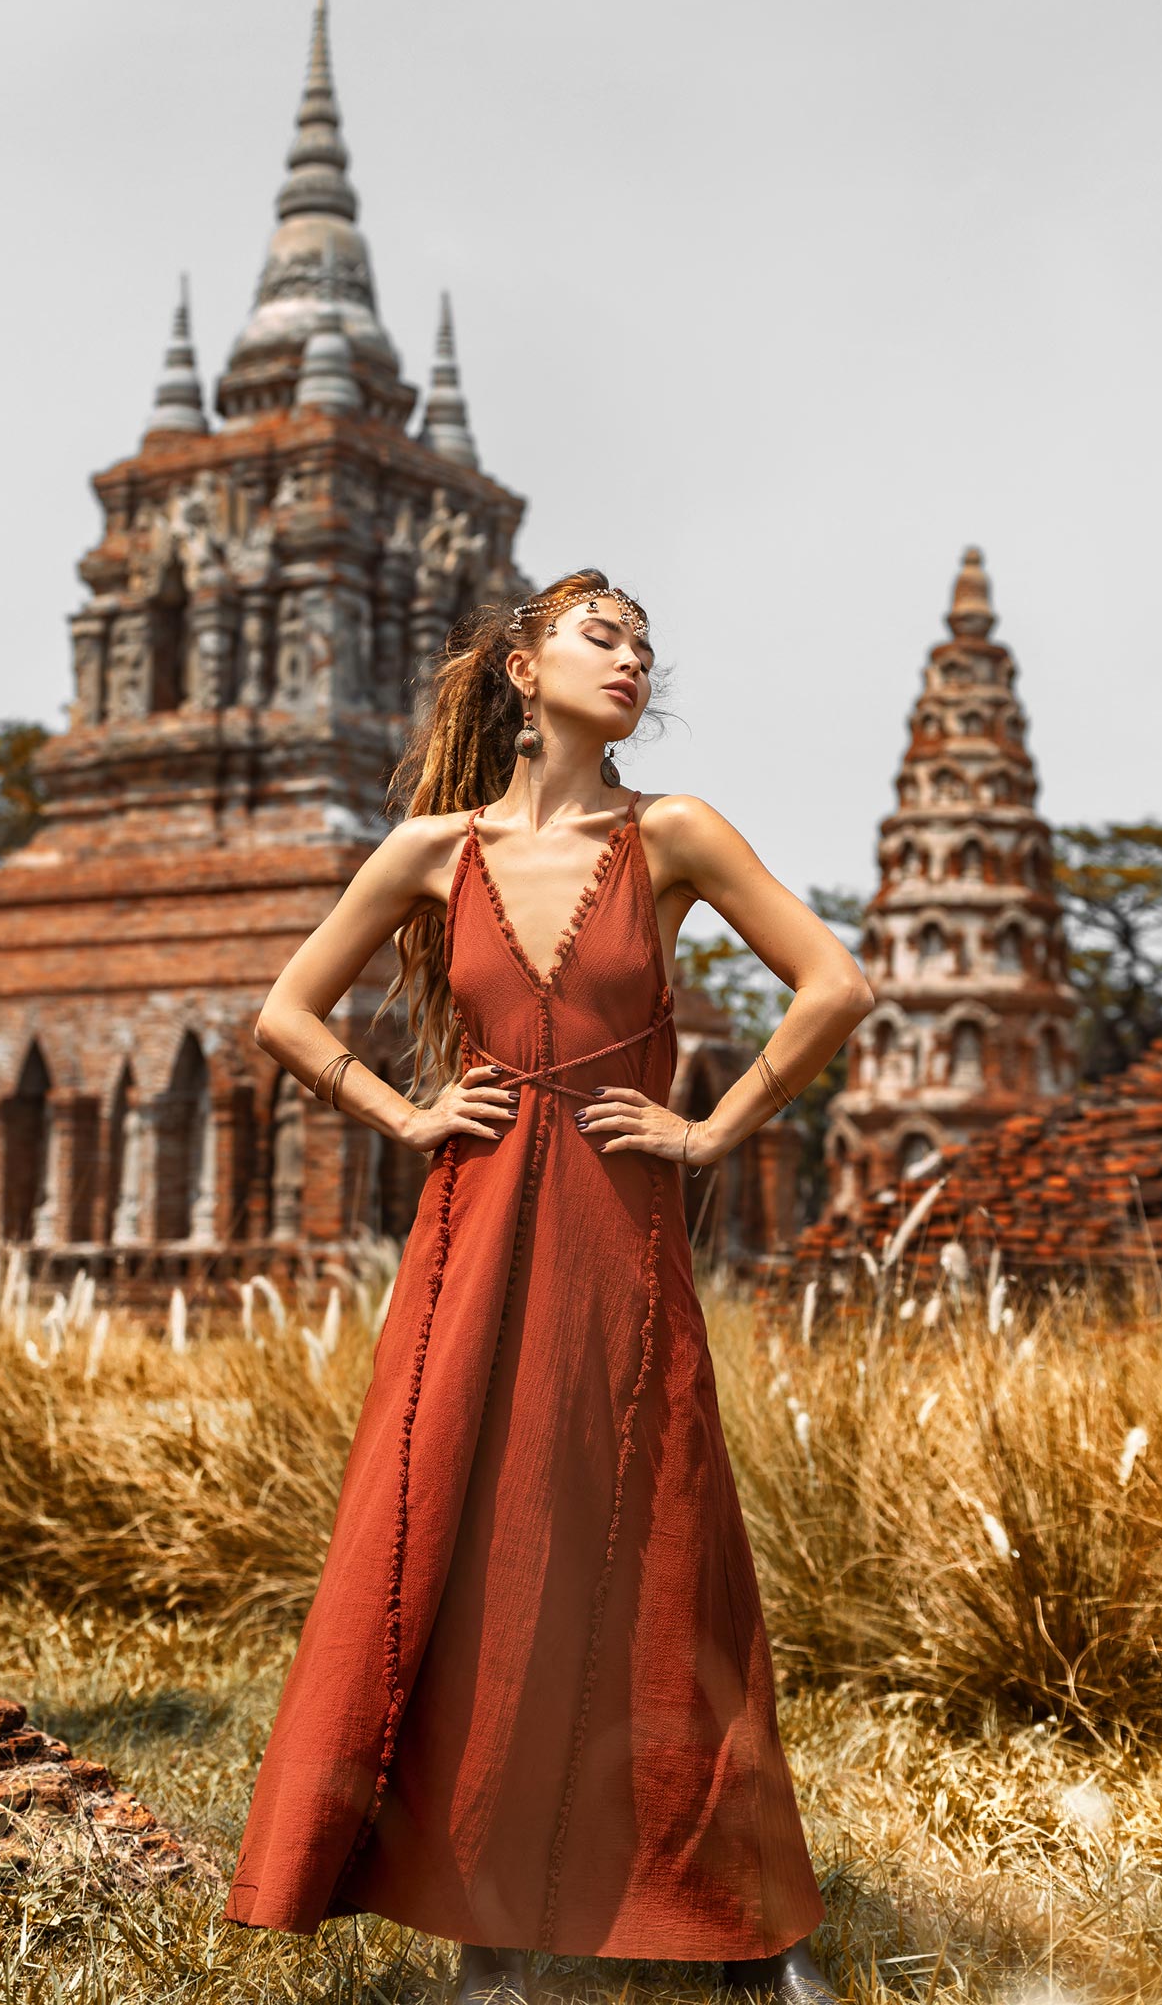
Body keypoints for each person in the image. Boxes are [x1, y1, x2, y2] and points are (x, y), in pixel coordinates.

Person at [223, 569, 874, 2003]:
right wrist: (403, 1115)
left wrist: (711, 1130)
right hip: (470, 1231)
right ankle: (489, 1934)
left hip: (619, 1230)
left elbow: (833, 984)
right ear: (522, 671)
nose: (631, 660)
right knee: (476, 1544)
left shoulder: (674, 832)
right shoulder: (426, 851)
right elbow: (284, 1014)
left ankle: (750, 1926)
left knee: (665, 1539)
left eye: (643, 645)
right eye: (600, 637)